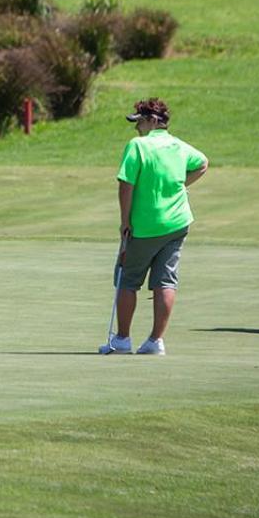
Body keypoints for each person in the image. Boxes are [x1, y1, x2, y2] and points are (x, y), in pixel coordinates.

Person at [100, 97, 208, 356]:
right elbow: (203, 163)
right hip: (178, 223)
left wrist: (125, 222)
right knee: (165, 282)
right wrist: (181, 186)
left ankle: (123, 340)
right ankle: (155, 341)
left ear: (152, 121)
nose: (136, 128)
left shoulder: (137, 146)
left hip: (145, 226)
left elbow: (126, 185)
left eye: (139, 122)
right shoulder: (178, 146)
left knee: (127, 280)